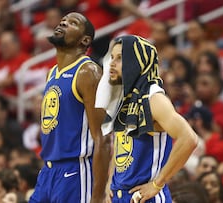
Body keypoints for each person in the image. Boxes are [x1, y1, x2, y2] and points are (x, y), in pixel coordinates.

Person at [96, 35, 198, 203]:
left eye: (120, 58)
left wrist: (157, 184)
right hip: (120, 196)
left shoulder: (154, 98)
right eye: (112, 57)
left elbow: (189, 139)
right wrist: (110, 182)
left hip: (144, 197)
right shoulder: (123, 99)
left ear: (137, 62)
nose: (112, 63)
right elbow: (122, 147)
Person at [29, 12, 111, 203]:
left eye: (72, 23)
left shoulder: (88, 72)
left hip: (75, 171)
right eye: (63, 20)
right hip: (49, 170)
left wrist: (98, 195)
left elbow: (103, 138)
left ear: (85, 40)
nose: (64, 22)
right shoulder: (52, 73)